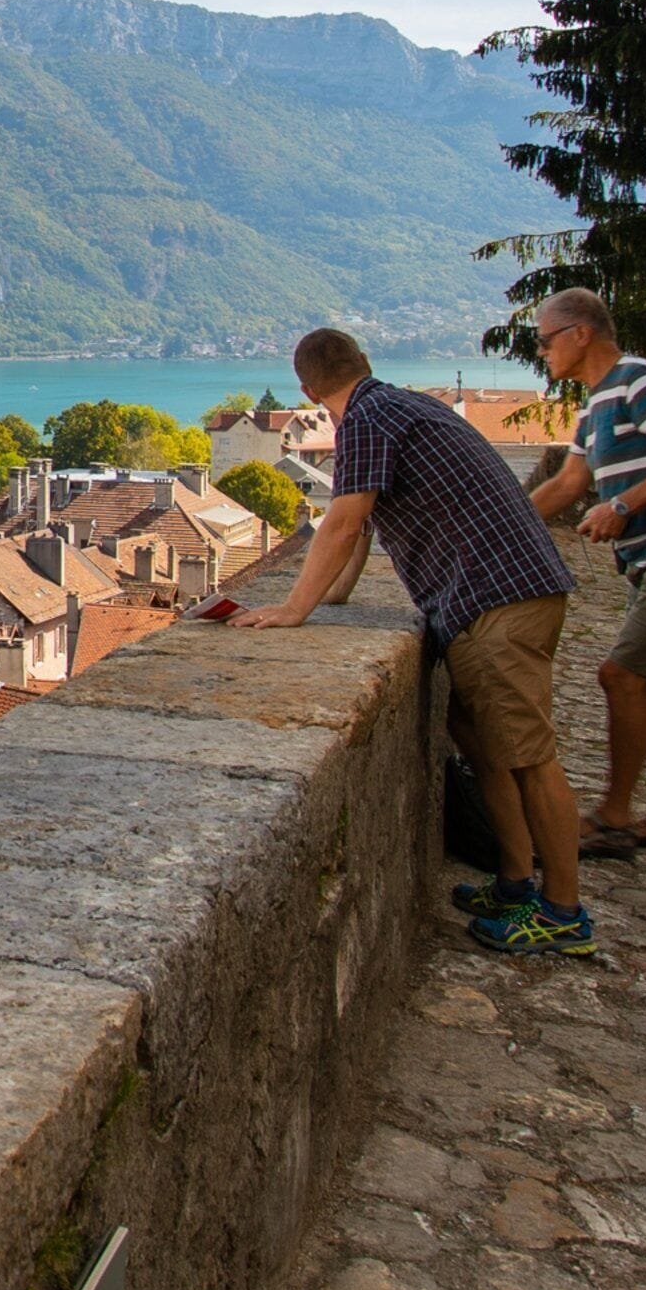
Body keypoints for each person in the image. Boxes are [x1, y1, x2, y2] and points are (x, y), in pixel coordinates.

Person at [237, 326, 591, 957]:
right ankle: (514, 883)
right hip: (503, 591)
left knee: (530, 756)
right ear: (361, 362)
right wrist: (328, 599)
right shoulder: (401, 406)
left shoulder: (368, 417)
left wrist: (294, 607)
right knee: (485, 743)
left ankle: (563, 911)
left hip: (497, 598)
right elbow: (363, 527)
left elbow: (343, 521)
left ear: (307, 388)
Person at [521, 288, 646, 861]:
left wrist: (624, 506)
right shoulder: (593, 404)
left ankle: (614, 815)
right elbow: (566, 486)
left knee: (622, 677)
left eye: (545, 340)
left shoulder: (640, 380)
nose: (543, 353)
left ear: (580, 333)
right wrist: (501, 520)